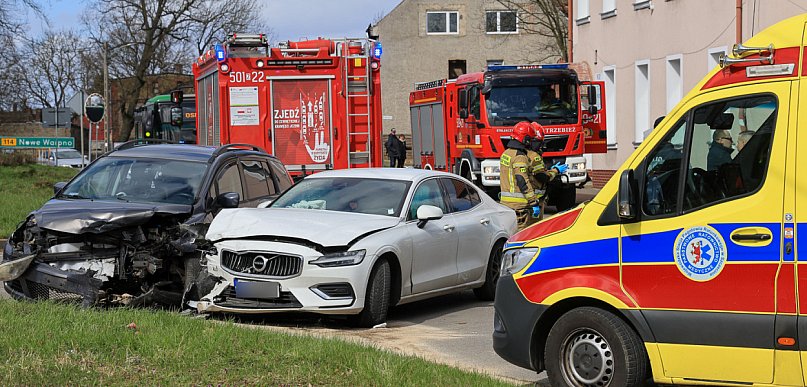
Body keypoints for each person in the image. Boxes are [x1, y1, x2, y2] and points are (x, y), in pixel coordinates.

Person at [499, 121, 567, 230]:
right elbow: (522, 180)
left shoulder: (506, 153)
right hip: (522, 207)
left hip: (507, 204)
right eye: (530, 139)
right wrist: (533, 202)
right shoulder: (521, 156)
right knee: (526, 236)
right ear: (525, 139)